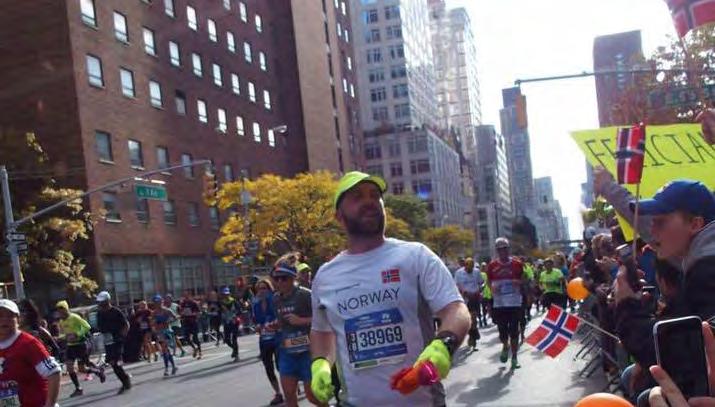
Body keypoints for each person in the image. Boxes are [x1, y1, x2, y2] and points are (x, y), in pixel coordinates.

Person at [310, 171, 470, 406]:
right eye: (357, 197)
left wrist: (443, 346)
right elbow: (322, 332)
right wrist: (320, 364)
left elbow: (455, 310)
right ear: (339, 217)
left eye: (374, 196)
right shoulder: (325, 276)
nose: (369, 202)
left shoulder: (416, 256)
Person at [613, 179, 715, 403]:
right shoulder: (698, 263)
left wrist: (627, 307)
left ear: (695, 224)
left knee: (647, 396)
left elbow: (676, 353)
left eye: (660, 221)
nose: (651, 229)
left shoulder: (707, 269)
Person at [267, 262, 315, 407]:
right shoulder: (276, 299)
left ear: (293, 278)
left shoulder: (305, 295)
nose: (280, 282)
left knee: (312, 396)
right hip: (287, 351)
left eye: (284, 278)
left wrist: (302, 321)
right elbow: (283, 322)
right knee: (289, 396)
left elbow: (323, 318)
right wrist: (275, 325)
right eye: (277, 279)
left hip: (308, 351)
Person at [0, 299, 61, 407]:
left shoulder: (28, 343)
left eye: (10, 316)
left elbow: (53, 372)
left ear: (18, 319)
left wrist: (49, 404)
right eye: (0, 315)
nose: (4, 320)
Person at [486, 237, 525, 370]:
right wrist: (493, 289)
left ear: (509, 249)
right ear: (497, 251)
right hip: (500, 303)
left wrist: (517, 283)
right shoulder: (492, 266)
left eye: (505, 248)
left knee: (514, 331)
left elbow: (525, 281)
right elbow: (489, 282)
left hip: (514, 303)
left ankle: (514, 357)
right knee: (503, 332)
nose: (503, 251)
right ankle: (505, 345)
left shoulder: (517, 264)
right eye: (500, 249)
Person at [56, 300, 105, 397]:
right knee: (69, 367)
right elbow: (62, 333)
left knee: (82, 369)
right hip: (70, 346)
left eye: (62, 311)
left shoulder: (74, 317)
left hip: (80, 345)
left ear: (66, 309)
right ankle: (78, 388)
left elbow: (87, 326)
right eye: (59, 311)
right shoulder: (61, 321)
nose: (60, 313)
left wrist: (77, 334)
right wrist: (61, 337)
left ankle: (97, 371)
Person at [253, 279, 284, 406]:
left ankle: (290, 385)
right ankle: (278, 393)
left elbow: (282, 316)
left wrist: (275, 323)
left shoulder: (275, 301)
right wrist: (258, 327)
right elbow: (256, 321)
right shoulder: (256, 305)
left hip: (277, 337)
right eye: (259, 289)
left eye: (264, 288)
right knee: (268, 367)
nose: (262, 291)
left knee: (280, 365)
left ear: (269, 289)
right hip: (264, 339)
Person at [96, 291, 133, 394]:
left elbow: (126, 324)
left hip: (117, 339)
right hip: (108, 341)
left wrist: (122, 335)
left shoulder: (116, 311)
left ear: (107, 301)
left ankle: (125, 382)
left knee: (115, 361)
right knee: (112, 363)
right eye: (100, 302)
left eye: (102, 302)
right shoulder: (99, 314)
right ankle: (125, 378)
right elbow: (99, 327)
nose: (101, 304)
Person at [454, 257, 483, 351]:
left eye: (471, 268)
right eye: (468, 268)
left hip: (474, 298)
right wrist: (463, 292)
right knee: (466, 320)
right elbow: (456, 285)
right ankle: (473, 333)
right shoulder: (459, 273)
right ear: (465, 266)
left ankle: (473, 339)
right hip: (464, 299)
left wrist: (479, 290)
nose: (470, 270)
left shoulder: (476, 272)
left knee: (473, 318)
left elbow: (481, 283)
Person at [151, 295, 179, 376]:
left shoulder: (166, 310)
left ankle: (167, 369)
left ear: (161, 302)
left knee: (164, 349)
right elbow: (151, 322)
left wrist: (168, 321)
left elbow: (175, 317)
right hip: (159, 332)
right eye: (155, 302)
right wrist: (154, 323)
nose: (157, 304)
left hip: (167, 331)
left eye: (158, 302)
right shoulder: (154, 312)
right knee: (165, 350)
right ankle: (173, 366)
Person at [179, 290, 202, 359]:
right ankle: (194, 348)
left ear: (190, 296)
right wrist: (182, 314)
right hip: (186, 322)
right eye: (184, 296)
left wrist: (192, 314)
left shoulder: (193, 303)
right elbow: (181, 312)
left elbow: (199, 313)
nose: (186, 297)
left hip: (193, 322)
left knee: (195, 338)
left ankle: (200, 352)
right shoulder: (183, 303)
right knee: (186, 338)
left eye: (187, 295)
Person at [219, 287, 240, 361]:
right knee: (227, 340)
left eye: (227, 294)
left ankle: (236, 355)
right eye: (224, 294)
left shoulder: (234, 301)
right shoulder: (221, 303)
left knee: (234, 339)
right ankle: (234, 349)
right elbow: (219, 312)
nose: (226, 295)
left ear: (229, 294)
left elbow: (239, 310)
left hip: (234, 322)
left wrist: (235, 315)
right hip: (226, 322)